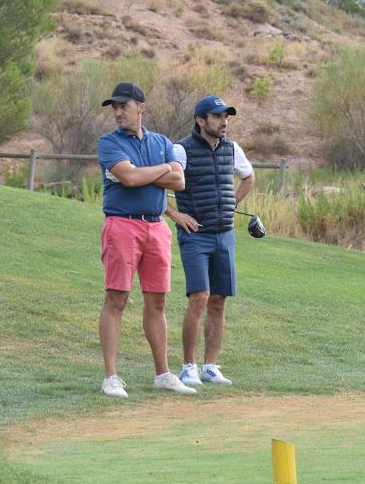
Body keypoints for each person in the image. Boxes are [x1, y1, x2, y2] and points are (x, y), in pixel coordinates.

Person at [97, 82, 197, 398]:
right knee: (117, 299)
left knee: (158, 302)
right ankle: (111, 377)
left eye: (123, 105)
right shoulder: (108, 142)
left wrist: (149, 172)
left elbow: (179, 181)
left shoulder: (162, 142)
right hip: (121, 226)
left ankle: (163, 374)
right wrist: (163, 170)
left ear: (141, 106)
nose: (117, 112)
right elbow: (128, 177)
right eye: (114, 107)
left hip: (156, 228)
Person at [165, 95, 255, 387]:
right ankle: (188, 366)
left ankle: (210, 367)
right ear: (200, 120)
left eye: (226, 117)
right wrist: (176, 215)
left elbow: (248, 177)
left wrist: (232, 204)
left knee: (219, 300)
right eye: (217, 117)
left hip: (224, 233)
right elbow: (159, 185)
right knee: (200, 296)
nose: (224, 122)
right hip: (195, 235)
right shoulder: (181, 149)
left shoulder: (232, 148)